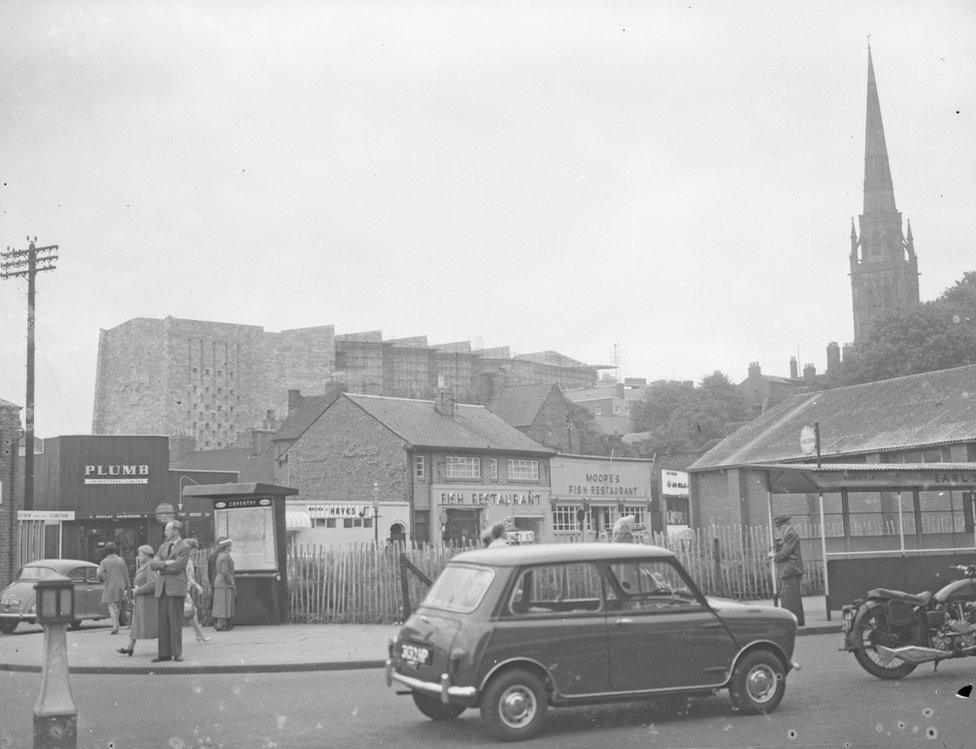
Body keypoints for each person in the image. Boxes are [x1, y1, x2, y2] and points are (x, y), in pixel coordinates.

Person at [150, 519, 192, 662]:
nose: (165, 532)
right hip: (162, 589)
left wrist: (161, 568)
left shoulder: (184, 547)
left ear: (176, 531)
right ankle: (164, 654)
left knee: (175, 622)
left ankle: (177, 653)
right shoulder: (163, 546)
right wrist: (166, 563)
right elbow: (152, 565)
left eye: (167, 529)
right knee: (162, 623)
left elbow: (177, 567)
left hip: (175, 589)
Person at [118, 545, 158, 656]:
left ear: (147, 555)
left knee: (155, 626)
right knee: (137, 624)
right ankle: (129, 647)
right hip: (143, 602)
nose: (138, 557)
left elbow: (153, 584)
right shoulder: (145, 566)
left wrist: (138, 590)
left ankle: (168, 647)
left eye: (140, 554)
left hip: (149, 603)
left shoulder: (150, 567)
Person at [771, 513, 806, 626]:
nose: (779, 530)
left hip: (790, 570)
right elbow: (784, 547)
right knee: (790, 597)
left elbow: (785, 553)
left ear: (783, 525)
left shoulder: (790, 534)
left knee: (791, 598)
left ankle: (795, 622)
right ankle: (794, 621)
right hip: (789, 571)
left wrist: (773, 556)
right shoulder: (788, 534)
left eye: (779, 527)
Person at [97, 542, 130, 634]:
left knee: (111, 606)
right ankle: (117, 624)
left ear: (106, 551)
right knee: (118, 606)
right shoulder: (121, 560)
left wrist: (102, 578)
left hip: (110, 586)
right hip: (121, 586)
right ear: (115, 550)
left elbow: (99, 574)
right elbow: (126, 575)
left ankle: (115, 625)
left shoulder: (104, 561)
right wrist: (128, 587)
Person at [184, 538, 211, 644]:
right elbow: (187, 576)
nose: (195, 552)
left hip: (184, 590)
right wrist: (197, 586)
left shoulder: (188, 559)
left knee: (191, 612)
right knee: (192, 611)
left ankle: (199, 635)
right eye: (194, 550)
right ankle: (199, 635)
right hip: (182, 590)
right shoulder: (185, 560)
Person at [212, 537, 236, 631]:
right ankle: (220, 625)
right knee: (223, 604)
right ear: (226, 547)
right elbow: (225, 572)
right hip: (224, 583)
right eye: (230, 545)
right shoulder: (225, 557)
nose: (231, 547)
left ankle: (222, 624)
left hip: (220, 582)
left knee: (222, 603)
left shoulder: (222, 555)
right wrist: (231, 582)